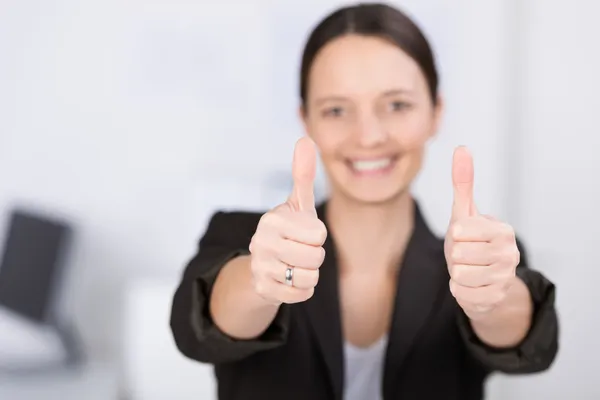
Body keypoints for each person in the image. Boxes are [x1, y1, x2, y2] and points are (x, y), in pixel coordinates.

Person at [170, 3, 558, 400]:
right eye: (336, 109)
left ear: (435, 112)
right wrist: (259, 280)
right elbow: (195, 331)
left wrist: (491, 298)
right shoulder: (242, 238)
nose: (369, 136)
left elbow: (528, 341)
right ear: (306, 120)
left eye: (397, 105)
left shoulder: (477, 260)